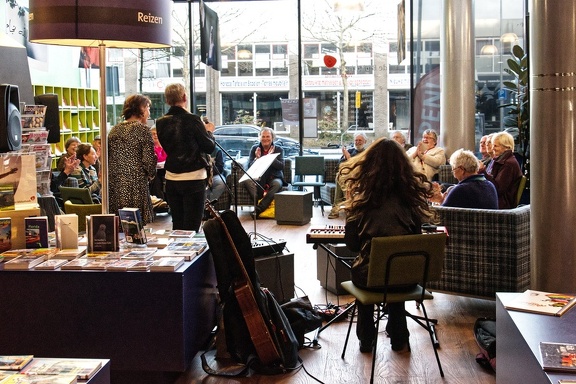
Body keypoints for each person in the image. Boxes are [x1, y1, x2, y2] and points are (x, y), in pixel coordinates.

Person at [341, 138, 434, 353]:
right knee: (395, 270)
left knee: (370, 271)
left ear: (369, 165)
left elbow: (353, 245)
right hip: (406, 279)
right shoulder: (412, 202)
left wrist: (349, 213)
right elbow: (413, 241)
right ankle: (399, 336)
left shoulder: (361, 204)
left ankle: (366, 339)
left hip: (370, 281)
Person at [156, 83, 215, 231]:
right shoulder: (193, 119)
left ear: (167, 100)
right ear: (184, 97)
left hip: (171, 178)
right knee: (192, 225)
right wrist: (208, 132)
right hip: (194, 177)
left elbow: (168, 146)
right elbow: (209, 147)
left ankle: (178, 253)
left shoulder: (160, 122)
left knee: (178, 224)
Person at [108, 94, 157, 225]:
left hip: (115, 184)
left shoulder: (114, 130)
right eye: (147, 108)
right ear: (141, 109)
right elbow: (148, 161)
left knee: (119, 224)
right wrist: (151, 173)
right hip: (135, 184)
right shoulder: (142, 130)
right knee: (135, 224)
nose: (149, 113)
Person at [430, 149, 498, 209]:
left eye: (453, 169)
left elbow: (443, 215)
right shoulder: (490, 186)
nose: (454, 175)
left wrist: (440, 201)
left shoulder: (460, 190)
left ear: (461, 169)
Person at [241, 127, 285, 218]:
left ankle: (258, 209)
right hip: (259, 177)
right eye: (263, 136)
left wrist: (270, 157)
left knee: (277, 184)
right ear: (259, 138)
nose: (265, 139)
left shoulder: (278, 149)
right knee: (246, 181)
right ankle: (263, 202)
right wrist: (257, 158)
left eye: (268, 136)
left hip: (274, 177)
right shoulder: (255, 148)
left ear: (272, 137)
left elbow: (281, 166)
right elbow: (250, 166)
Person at [328, 132, 368, 219]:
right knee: (340, 176)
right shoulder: (350, 151)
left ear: (365, 141)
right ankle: (346, 208)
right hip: (347, 177)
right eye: (356, 140)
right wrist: (346, 158)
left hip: (360, 178)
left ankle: (336, 208)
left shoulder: (367, 154)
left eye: (360, 140)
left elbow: (362, 168)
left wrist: (349, 158)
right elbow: (339, 166)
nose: (357, 142)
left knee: (343, 179)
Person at [479, 131, 522, 209]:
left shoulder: (508, 164)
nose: (492, 148)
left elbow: (496, 189)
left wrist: (482, 171)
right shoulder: (503, 161)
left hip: (501, 204)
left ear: (506, 147)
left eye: (495, 146)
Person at [149, 126, 168, 202]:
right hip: (155, 173)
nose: (155, 136)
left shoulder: (165, 146)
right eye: (153, 134)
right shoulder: (150, 147)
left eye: (157, 134)